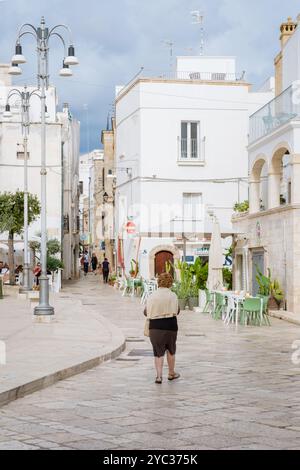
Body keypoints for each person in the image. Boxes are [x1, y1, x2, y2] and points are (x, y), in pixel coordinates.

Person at [144, 272, 180, 384]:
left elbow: (146, 312)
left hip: (155, 327)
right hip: (170, 325)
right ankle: (171, 373)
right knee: (171, 350)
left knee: (158, 352)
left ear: (158, 282)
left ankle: (159, 376)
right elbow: (177, 311)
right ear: (170, 283)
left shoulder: (152, 296)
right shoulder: (173, 295)